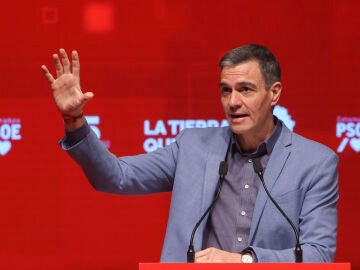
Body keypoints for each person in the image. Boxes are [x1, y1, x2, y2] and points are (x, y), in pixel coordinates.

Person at [41, 44, 338, 263]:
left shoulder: (315, 162)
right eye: (225, 90)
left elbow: (319, 254)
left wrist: (243, 261)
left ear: (274, 93)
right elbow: (117, 176)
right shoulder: (193, 146)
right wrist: (75, 120)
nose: (232, 101)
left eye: (245, 89)